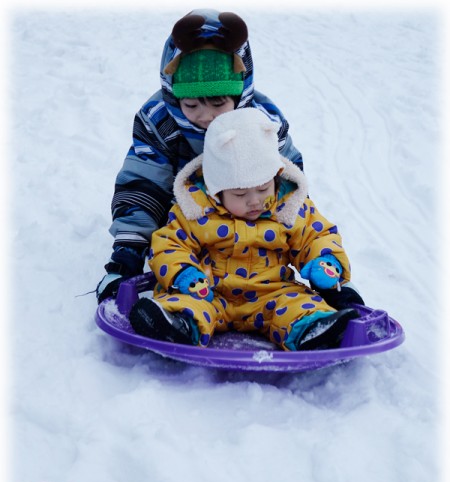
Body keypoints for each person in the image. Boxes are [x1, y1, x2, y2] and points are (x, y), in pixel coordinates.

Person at [96, 8, 364, 310]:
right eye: (192, 104)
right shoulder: (159, 120)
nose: (205, 116)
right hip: (186, 216)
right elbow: (144, 180)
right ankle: (175, 283)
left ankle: (328, 278)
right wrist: (128, 251)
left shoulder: (262, 121)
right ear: (173, 94)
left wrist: (307, 242)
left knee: (284, 207)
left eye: (218, 102)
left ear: (239, 93)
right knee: (153, 207)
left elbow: (287, 182)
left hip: (254, 209)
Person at [129, 108, 360, 351]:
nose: (254, 201)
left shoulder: (288, 206)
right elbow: (169, 243)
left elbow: (316, 235)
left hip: (273, 293)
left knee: (299, 305)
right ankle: (178, 325)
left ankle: (313, 330)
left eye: (263, 189)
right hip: (210, 291)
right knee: (189, 305)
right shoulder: (196, 208)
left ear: (276, 177)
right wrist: (184, 273)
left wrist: (326, 261)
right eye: (240, 194)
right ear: (216, 190)